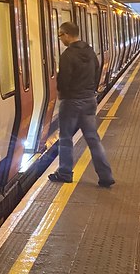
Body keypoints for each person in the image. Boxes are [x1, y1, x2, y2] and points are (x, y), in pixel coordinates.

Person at [48, 21, 115, 187]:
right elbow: (98, 71)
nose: (60, 39)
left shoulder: (67, 55)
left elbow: (64, 80)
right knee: (93, 138)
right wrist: (90, 90)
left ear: (66, 34)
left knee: (65, 138)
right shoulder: (90, 52)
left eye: (60, 35)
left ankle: (65, 172)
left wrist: (62, 94)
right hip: (89, 100)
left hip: (71, 101)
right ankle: (106, 175)